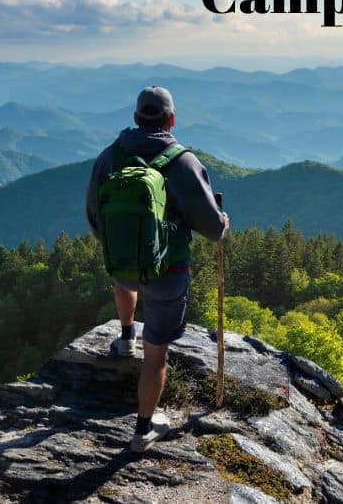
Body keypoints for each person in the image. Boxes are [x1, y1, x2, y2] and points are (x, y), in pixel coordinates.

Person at [85, 86, 228, 452]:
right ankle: (142, 430)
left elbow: (94, 213)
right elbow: (212, 229)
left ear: (135, 118)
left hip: (122, 265)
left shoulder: (109, 157)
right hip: (169, 270)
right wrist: (223, 220)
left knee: (125, 283)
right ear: (171, 120)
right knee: (157, 354)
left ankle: (126, 335)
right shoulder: (183, 162)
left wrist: (118, 245)